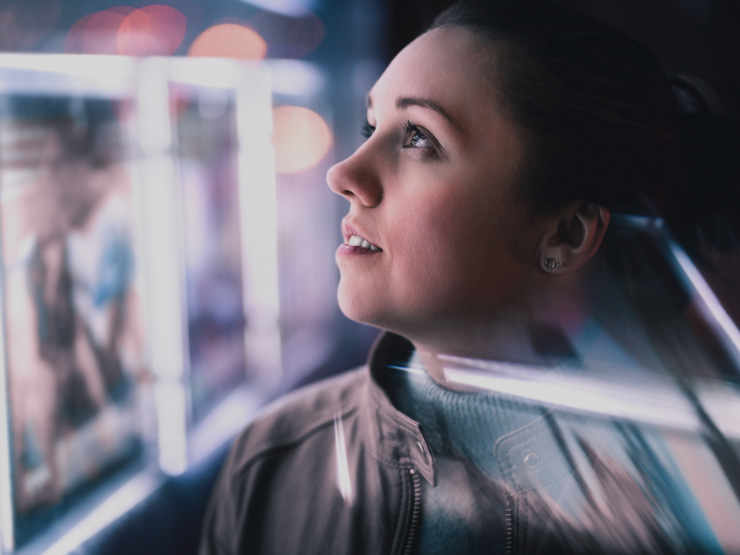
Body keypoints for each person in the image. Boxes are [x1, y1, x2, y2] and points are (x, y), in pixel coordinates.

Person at [199, 1, 740, 553]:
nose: (344, 172)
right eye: (371, 125)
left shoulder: (702, 505)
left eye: (418, 138)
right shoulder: (273, 466)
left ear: (566, 234)